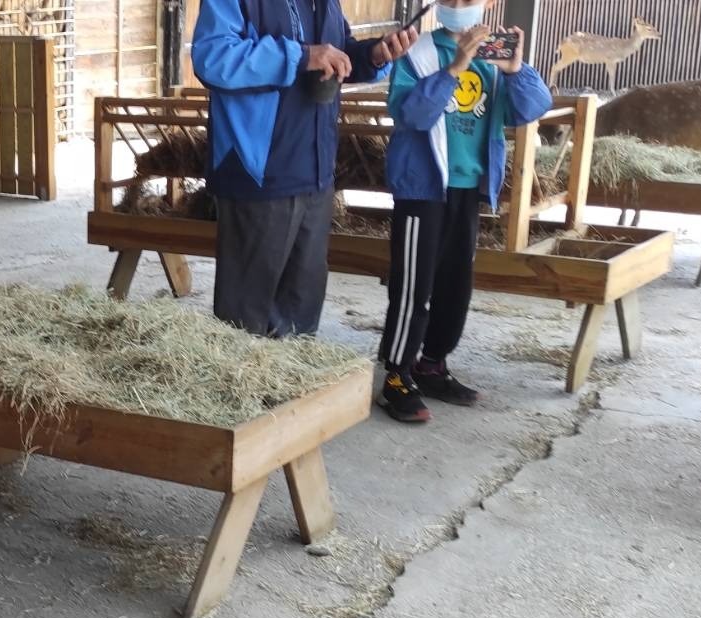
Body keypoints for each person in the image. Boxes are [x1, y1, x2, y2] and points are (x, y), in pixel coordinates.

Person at [192, 0, 416, 339]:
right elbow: (211, 58)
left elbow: (339, 55)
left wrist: (374, 55)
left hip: (316, 171)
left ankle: (292, 392)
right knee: (245, 321)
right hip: (258, 171)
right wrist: (300, 56)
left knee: (301, 311)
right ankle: (244, 389)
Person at [376, 1, 552, 423]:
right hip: (423, 189)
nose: (458, 6)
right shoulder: (418, 52)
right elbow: (411, 114)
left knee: (456, 285)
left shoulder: (495, 57)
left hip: (469, 189)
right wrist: (454, 67)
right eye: (450, 0)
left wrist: (515, 71)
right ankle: (396, 376)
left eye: (467, 0)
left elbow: (532, 108)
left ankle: (432, 364)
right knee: (413, 288)